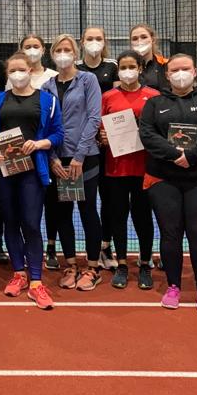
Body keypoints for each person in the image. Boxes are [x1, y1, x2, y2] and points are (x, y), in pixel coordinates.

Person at [139, 53, 197, 313]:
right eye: (175, 70)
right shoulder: (154, 103)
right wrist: (174, 154)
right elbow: (147, 134)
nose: (180, 74)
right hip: (163, 178)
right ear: (167, 75)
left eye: (185, 68)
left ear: (195, 72)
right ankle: (173, 286)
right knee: (170, 233)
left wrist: (191, 156)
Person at [0, 52, 63, 310]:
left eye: (22, 69)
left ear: (30, 70)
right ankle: (19, 273)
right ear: (7, 74)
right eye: (12, 71)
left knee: (31, 223)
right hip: (4, 171)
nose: (17, 74)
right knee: (11, 221)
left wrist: (40, 143)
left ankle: (36, 281)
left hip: (32, 171)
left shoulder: (47, 100)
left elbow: (58, 133)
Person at [42, 34, 103, 291]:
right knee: (62, 213)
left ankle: (92, 267)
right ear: (52, 55)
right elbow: (44, 125)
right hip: (58, 158)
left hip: (86, 157)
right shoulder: (46, 87)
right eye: (58, 50)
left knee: (88, 211)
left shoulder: (88, 80)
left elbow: (94, 118)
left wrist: (79, 156)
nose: (63, 54)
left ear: (75, 53)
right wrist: (53, 158)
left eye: (67, 49)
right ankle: (70, 265)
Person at [99, 51, 159, 290]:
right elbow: (100, 129)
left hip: (144, 167)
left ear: (140, 68)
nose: (127, 71)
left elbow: (160, 129)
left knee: (143, 216)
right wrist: (102, 137)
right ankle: (122, 264)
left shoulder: (153, 96)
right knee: (118, 215)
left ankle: (144, 264)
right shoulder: (108, 97)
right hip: (116, 168)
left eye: (131, 66)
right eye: (123, 67)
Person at [78, 25, 120, 272]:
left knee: (110, 198)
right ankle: (91, 248)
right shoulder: (76, 68)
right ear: (82, 42)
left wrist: (108, 134)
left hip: (108, 142)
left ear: (104, 42)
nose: (94, 42)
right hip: (85, 143)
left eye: (98, 38)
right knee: (87, 200)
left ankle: (106, 245)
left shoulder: (112, 67)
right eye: (89, 38)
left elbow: (117, 103)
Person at [129, 23, 169, 91]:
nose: (139, 41)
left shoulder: (165, 64)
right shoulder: (125, 66)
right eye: (135, 39)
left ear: (153, 40)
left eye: (144, 37)